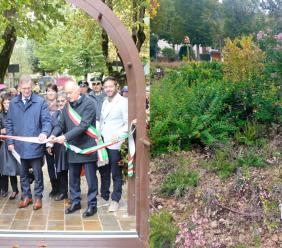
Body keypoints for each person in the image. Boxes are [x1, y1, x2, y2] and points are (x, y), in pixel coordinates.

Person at [50, 79, 99, 218]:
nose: (68, 96)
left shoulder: (89, 103)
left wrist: (64, 137)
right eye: (66, 93)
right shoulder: (66, 106)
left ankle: (92, 205)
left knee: (91, 179)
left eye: (70, 92)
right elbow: (60, 124)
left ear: (78, 90)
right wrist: (53, 135)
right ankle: (75, 202)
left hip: (87, 147)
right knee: (73, 179)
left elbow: (83, 126)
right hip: (73, 147)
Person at [5, 75, 51, 210]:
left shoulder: (40, 102)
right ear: (19, 88)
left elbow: (46, 121)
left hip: (35, 144)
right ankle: (26, 196)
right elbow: (9, 123)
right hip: (19, 146)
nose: (26, 91)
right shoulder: (13, 103)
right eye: (24, 88)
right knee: (23, 174)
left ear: (32, 87)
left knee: (37, 173)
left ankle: (38, 197)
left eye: (29, 88)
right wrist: (10, 141)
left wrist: (44, 133)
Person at [99, 76, 128, 212]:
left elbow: (128, 124)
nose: (108, 89)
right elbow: (103, 121)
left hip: (116, 144)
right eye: (106, 87)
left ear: (116, 86)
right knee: (103, 171)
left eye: (110, 86)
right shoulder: (105, 102)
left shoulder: (123, 102)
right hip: (103, 143)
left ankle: (115, 199)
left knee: (116, 173)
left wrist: (120, 134)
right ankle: (104, 195)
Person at [47, 92, 69, 201]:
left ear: (67, 101)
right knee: (60, 169)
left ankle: (74, 192)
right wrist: (50, 143)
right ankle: (63, 191)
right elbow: (52, 129)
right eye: (58, 101)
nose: (60, 103)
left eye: (63, 101)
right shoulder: (55, 114)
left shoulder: (70, 113)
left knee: (73, 170)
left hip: (69, 145)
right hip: (58, 146)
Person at [0, 94, 19, 200]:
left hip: (15, 144)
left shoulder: (16, 114)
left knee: (16, 168)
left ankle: (16, 189)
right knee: (6, 168)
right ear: (2, 104)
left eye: (9, 102)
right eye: (5, 103)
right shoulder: (1, 115)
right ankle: (7, 189)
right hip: (4, 145)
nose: (7, 105)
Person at [45, 83, 59, 197]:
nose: (50, 93)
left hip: (59, 139)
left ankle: (62, 187)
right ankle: (54, 187)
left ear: (56, 92)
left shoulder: (61, 104)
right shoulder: (42, 105)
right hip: (46, 140)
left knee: (60, 164)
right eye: (48, 90)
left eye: (53, 91)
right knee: (50, 165)